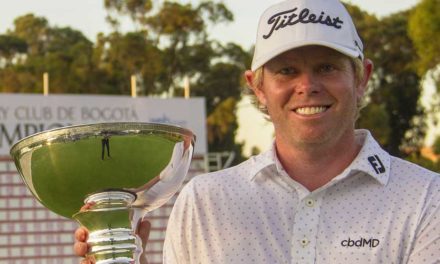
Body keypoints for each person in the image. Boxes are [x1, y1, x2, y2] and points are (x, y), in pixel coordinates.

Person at [75, 0, 440, 263]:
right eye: (286, 71)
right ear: (257, 87)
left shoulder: (426, 199)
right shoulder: (204, 202)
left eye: (327, 66)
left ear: (361, 79)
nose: (308, 85)